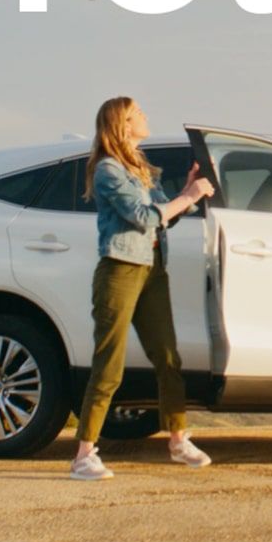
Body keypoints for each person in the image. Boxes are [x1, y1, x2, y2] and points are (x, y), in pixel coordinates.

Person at [70, 96, 217, 481]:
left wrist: (183, 194)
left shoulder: (140, 169)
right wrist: (189, 196)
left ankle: (178, 439)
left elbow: (159, 218)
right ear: (122, 124)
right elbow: (140, 216)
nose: (146, 117)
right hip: (120, 270)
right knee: (109, 364)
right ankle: (84, 454)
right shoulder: (107, 169)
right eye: (139, 114)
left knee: (168, 357)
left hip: (152, 270)